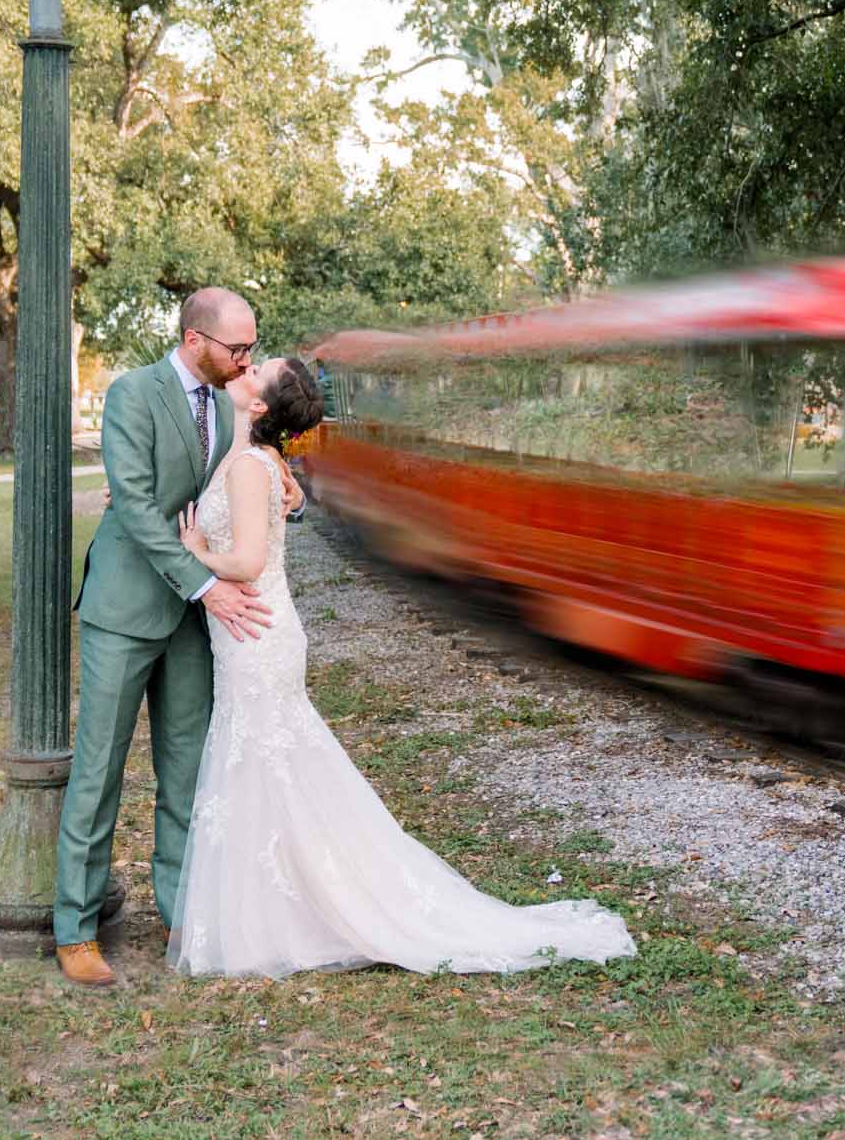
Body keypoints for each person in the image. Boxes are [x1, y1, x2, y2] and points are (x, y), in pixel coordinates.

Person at [168, 356, 637, 978]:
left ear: (258, 408)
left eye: (259, 370)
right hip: (251, 633)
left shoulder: (255, 466)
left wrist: (197, 550)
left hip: (256, 634)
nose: (247, 366)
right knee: (269, 768)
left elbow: (249, 560)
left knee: (267, 763)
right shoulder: (255, 457)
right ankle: (275, 911)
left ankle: (297, 915)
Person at [53, 287, 276, 988]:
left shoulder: (228, 400)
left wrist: (281, 486)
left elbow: (234, 484)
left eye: (250, 349)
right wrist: (208, 586)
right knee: (99, 772)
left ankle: (183, 911)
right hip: (127, 608)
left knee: (186, 770)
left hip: (190, 621)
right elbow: (140, 508)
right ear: (193, 339)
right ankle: (76, 929)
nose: (245, 362)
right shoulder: (132, 394)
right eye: (235, 349)